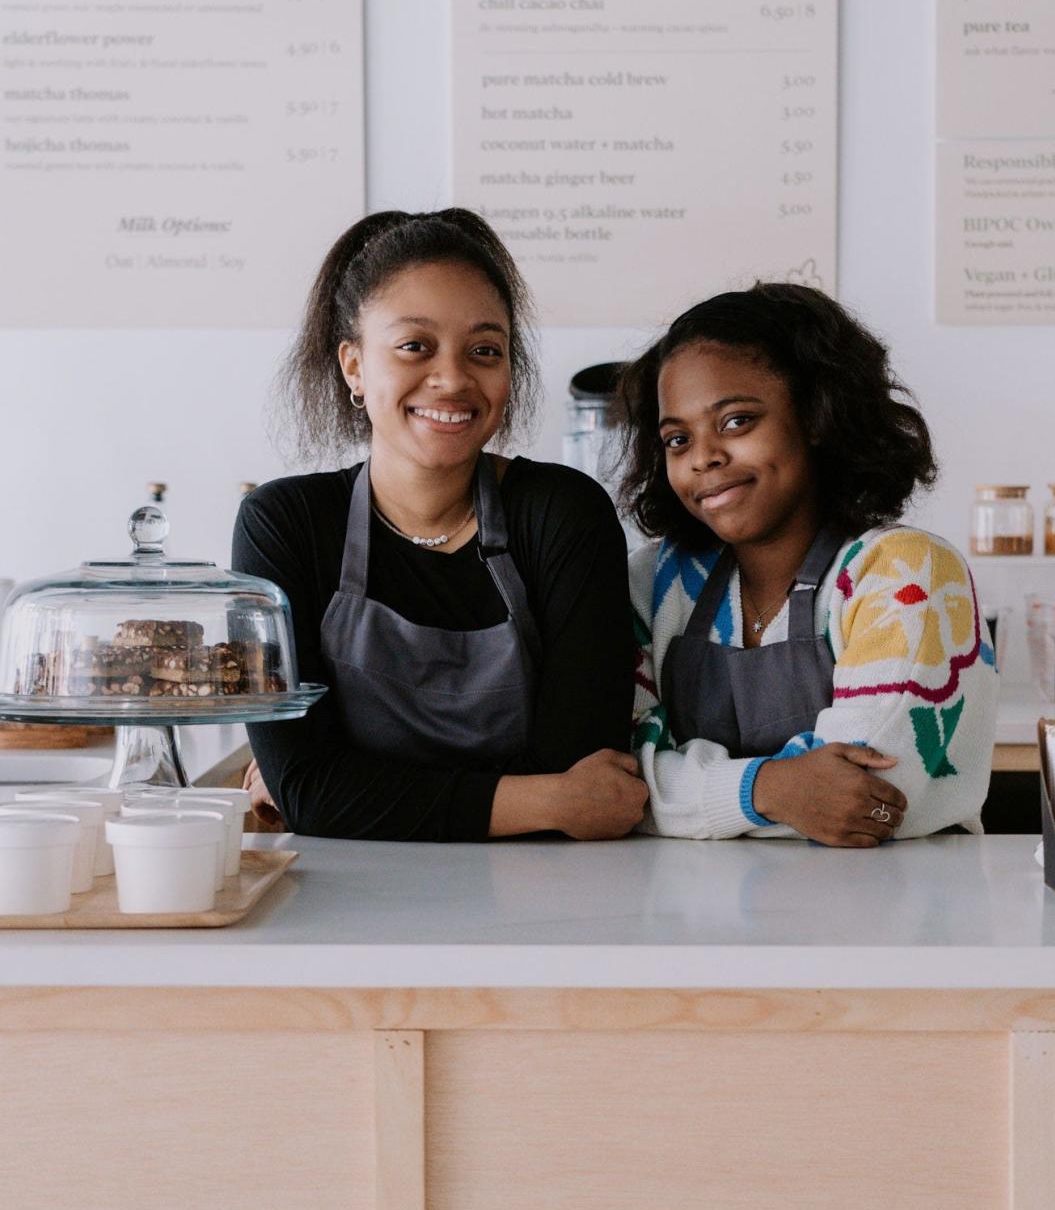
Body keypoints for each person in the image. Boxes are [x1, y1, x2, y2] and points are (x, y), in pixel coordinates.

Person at [232, 208, 646, 841]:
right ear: (354, 366)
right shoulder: (285, 525)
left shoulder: (563, 513)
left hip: (545, 898)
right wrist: (547, 801)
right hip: (344, 904)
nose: (452, 378)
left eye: (485, 350)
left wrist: (348, 789)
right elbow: (309, 789)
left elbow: (583, 770)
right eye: (414, 346)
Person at [616, 283, 998, 845]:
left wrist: (693, 798)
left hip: (891, 910)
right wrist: (769, 790)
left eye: (736, 421)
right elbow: (620, 788)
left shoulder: (908, 573)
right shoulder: (652, 583)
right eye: (677, 439)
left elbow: (863, 798)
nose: (704, 457)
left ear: (818, 415)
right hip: (698, 917)